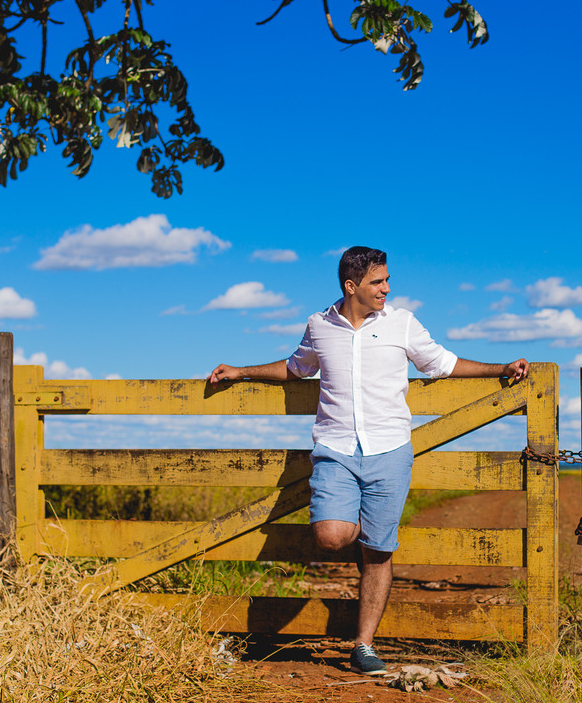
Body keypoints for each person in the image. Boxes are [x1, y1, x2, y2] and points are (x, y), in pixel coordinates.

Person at [208, 246, 528, 676]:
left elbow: (443, 363)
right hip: (336, 450)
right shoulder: (319, 325)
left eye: (387, 280)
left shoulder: (402, 322)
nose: (387, 289)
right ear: (351, 285)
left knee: (378, 553)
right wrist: (242, 371)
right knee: (330, 535)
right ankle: (362, 525)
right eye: (378, 282)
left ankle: (363, 646)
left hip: (390, 451)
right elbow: (296, 368)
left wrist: (501, 368)